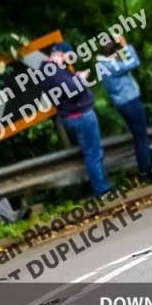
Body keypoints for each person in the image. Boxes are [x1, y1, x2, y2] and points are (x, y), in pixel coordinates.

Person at [44, 42, 113, 197]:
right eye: (69, 56)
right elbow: (71, 90)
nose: (70, 60)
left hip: (75, 114)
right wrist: (80, 79)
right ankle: (102, 190)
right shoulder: (53, 71)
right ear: (61, 53)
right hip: (79, 115)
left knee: (94, 152)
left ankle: (104, 187)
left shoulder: (54, 70)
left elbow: (64, 88)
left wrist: (75, 77)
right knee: (93, 153)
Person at [97, 35, 152, 184]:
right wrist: (125, 44)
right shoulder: (109, 66)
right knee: (141, 138)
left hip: (123, 104)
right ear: (113, 51)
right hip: (130, 102)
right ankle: (146, 173)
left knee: (138, 137)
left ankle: (145, 171)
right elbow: (134, 62)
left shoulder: (102, 65)